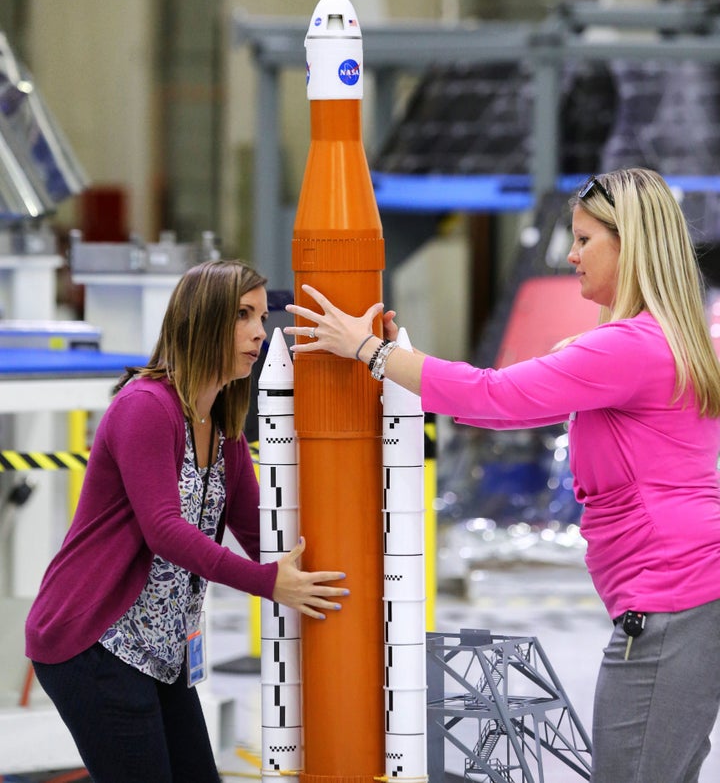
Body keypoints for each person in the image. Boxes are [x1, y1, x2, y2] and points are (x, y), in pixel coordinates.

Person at [284, 168, 720, 783]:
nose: (570, 254)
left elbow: (496, 397)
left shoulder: (628, 348)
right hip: (690, 595)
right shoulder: (670, 338)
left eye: (585, 239)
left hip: (669, 601)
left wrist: (373, 353)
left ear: (631, 245)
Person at [26, 259, 348, 783]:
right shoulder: (146, 408)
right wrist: (269, 583)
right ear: (201, 321)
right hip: (96, 643)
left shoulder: (223, 426)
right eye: (243, 315)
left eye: (262, 318)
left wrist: (330, 562)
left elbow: (262, 528)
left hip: (163, 652)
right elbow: (165, 531)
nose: (258, 333)